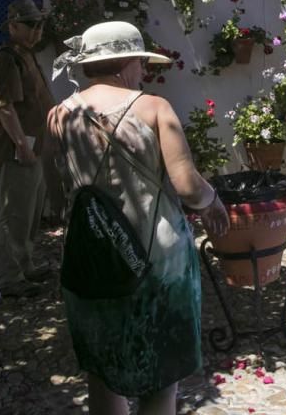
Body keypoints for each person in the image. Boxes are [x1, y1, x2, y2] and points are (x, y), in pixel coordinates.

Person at [45, 21, 229, 415]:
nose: (144, 72)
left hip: (90, 256)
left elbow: (56, 188)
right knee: (159, 378)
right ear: (125, 61)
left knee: (103, 373)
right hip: (155, 262)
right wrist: (212, 200)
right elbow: (186, 186)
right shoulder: (154, 107)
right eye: (141, 63)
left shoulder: (59, 115)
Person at [0, 0, 55, 297]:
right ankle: (8, 278)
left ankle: (24, 266)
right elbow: (5, 106)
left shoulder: (26, 54)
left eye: (40, 24)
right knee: (14, 214)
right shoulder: (7, 58)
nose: (38, 30)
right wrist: (20, 146)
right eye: (31, 24)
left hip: (34, 145)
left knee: (29, 211)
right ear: (13, 26)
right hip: (20, 148)